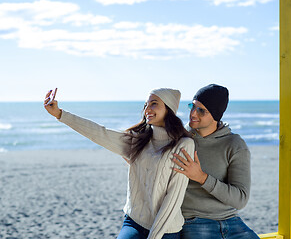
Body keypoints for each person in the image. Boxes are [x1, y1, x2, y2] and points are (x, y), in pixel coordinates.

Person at [44, 88, 195, 239]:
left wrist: (154, 236)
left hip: (166, 229)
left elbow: (173, 198)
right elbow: (99, 132)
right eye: (145, 105)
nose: (147, 109)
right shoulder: (138, 141)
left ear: (169, 109)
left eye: (154, 104)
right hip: (134, 222)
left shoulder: (183, 145)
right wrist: (60, 114)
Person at [172, 84, 260, 239]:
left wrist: (201, 177)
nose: (193, 113)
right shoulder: (180, 139)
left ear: (216, 115)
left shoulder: (235, 144)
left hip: (232, 221)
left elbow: (240, 199)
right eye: (192, 106)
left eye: (201, 110)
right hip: (195, 221)